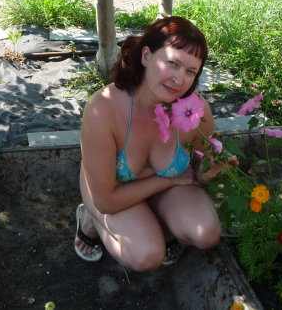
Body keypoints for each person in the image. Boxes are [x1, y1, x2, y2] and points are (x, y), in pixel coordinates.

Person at [75, 16, 229, 271]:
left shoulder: (195, 112)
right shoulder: (103, 108)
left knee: (206, 234)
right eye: (173, 63)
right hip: (112, 192)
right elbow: (106, 201)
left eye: (190, 71)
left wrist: (211, 170)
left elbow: (200, 168)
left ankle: (158, 223)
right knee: (146, 255)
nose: (179, 79)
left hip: (167, 188)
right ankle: (89, 220)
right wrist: (169, 181)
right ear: (146, 56)